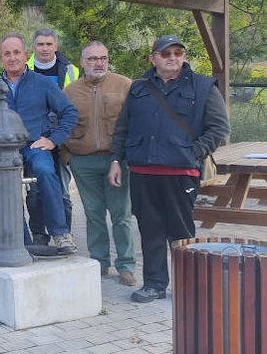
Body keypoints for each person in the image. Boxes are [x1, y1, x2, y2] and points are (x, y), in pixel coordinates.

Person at [110, 35, 229, 303]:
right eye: (166, 54)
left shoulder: (203, 87)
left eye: (178, 52)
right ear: (153, 58)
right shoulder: (138, 89)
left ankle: (188, 286)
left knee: (181, 232)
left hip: (181, 174)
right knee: (150, 231)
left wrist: (192, 152)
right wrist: (116, 160)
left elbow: (220, 129)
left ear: (183, 56)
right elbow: (123, 128)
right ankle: (154, 284)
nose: (172, 57)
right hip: (142, 173)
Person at [0, 33, 79, 254]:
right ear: (1, 58)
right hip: (4, 150)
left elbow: (69, 112)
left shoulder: (42, 84)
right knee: (3, 187)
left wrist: (53, 140)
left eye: (16, 52)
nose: (12, 58)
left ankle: (60, 233)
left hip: (34, 145)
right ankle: (19, 240)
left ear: (26, 55)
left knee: (45, 171)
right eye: (7, 53)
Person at [63, 41, 136, 286]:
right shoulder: (70, 92)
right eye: (92, 59)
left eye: (102, 58)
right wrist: (68, 157)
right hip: (83, 162)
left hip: (117, 161)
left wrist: (128, 157)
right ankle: (100, 262)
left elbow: (138, 121)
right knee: (93, 214)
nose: (98, 63)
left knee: (121, 214)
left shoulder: (125, 85)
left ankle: (126, 265)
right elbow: (60, 125)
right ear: (82, 62)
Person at [25, 28, 79, 246]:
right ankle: (39, 235)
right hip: (35, 140)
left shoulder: (71, 71)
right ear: (33, 47)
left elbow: (74, 107)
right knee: (35, 191)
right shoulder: (23, 69)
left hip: (62, 140)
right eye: (40, 44)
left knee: (63, 191)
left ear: (56, 46)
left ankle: (64, 234)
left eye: (49, 44)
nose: (45, 48)